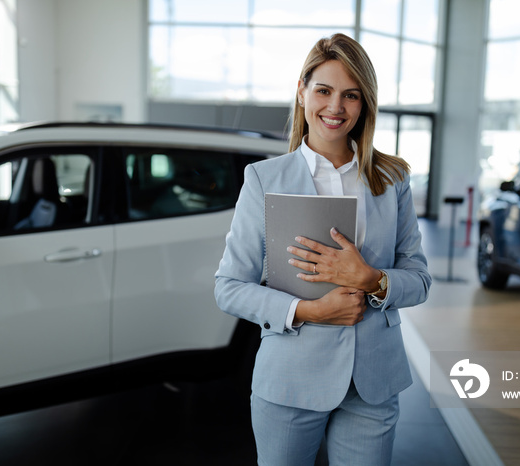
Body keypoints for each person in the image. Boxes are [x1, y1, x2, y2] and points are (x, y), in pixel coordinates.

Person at [214, 33, 431, 465]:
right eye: (324, 91)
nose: (336, 107)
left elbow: (420, 279)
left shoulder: (393, 179)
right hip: (291, 378)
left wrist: (371, 279)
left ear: (365, 102)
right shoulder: (263, 179)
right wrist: (310, 312)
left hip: (373, 383)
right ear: (302, 92)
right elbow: (229, 287)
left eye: (351, 95)